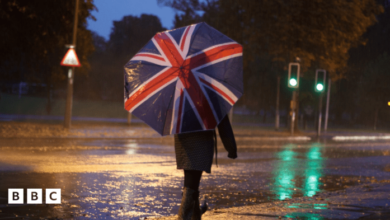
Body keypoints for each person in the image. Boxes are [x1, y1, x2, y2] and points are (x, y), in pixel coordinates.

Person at [174, 115, 237, 220]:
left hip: (183, 140)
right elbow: (222, 120)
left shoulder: (181, 99)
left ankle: (196, 215)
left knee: (191, 182)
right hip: (201, 141)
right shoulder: (210, 99)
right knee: (191, 185)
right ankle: (183, 217)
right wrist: (231, 148)